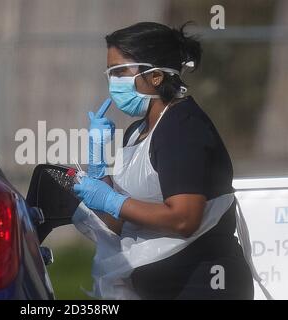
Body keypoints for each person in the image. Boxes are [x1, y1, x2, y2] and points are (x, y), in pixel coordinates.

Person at [73, 22, 254, 299]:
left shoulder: (182, 127)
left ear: (155, 76)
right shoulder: (137, 131)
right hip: (154, 286)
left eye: (120, 71)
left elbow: (185, 219)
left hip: (201, 284)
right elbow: (124, 222)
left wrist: (112, 200)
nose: (112, 82)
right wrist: (98, 170)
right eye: (109, 73)